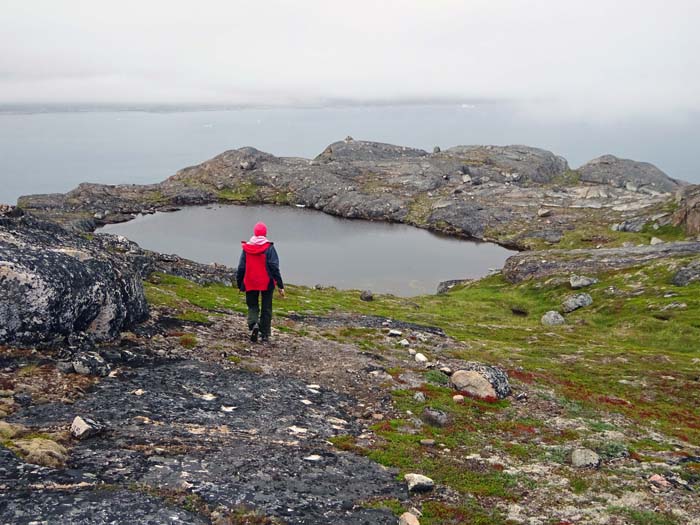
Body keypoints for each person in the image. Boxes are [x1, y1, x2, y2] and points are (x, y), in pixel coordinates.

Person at [237, 222, 285, 343]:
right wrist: (280, 285)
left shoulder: (247, 248)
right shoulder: (269, 248)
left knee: (252, 305)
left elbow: (241, 267)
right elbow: (274, 267)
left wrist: (239, 284)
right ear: (265, 233)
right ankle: (265, 334)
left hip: (250, 281)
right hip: (267, 282)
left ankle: (254, 325)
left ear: (254, 232)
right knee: (266, 307)